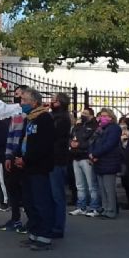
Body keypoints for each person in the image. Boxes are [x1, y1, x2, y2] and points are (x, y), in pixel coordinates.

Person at [15, 88, 56, 251]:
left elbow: (42, 145)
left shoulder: (44, 118)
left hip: (38, 167)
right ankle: (34, 233)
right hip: (27, 167)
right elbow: (25, 140)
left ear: (34, 102)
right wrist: (19, 156)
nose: (22, 103)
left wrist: (26, 158)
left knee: (41, 202)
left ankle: (45, 236)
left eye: (24, 100)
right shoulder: (30, 119)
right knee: (29, 202)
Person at [0, 85, 30, 233]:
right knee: (11, 187)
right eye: (15, 94)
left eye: (19, 95)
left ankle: (31, 220)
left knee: (25, 190)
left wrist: (20, 155)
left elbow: (24, 136)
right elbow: (10, 135)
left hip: (22, 156)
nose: (16, 97)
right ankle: (15, 218)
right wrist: (8, 156)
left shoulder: (28, 114)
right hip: (12, 154)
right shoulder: (14, 113)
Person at [90, 108, 123, 219]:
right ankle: (105, 208)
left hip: (109, 161)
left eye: (105, 116)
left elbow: (109, 145)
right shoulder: (99, 129)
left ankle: (111, 210)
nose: (102, 118)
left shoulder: (115, 129)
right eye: (101, 115)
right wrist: (92, 154)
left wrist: (95, 154)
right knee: (102, 188)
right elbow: (93, 141)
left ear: (111, 117)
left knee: (109, 188)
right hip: (99, 161)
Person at [48, 93, 72, 237]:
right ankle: (52, 223)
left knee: (57, 195)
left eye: (53, 100)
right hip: (53, 159)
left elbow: (54, 135)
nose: (51, 102)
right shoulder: (54, 116)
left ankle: (58, 227)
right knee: (52, 194)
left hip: (58, 159)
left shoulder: (62, 118)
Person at [70, 107, 101, 217]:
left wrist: (80, 145)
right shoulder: (78, 126)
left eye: (85, 113)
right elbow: (71, 137)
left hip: (86, 157)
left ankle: (94, 207)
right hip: (76, 156)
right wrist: (71, 144)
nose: (83, 114)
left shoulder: (94, 126)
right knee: (79, 185)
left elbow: (92, 141)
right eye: (82, 112)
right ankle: (81, 206)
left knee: (91, 184)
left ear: (91, 115)